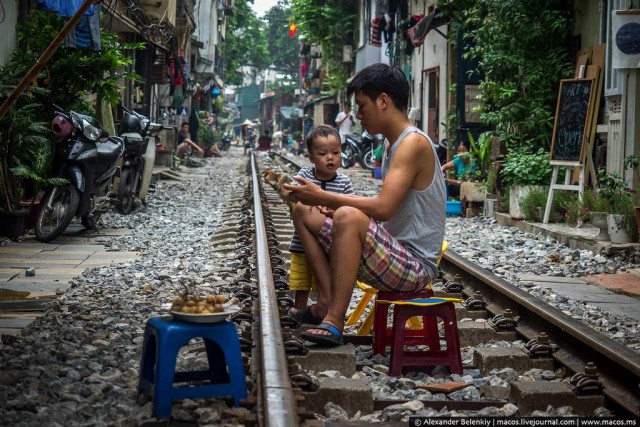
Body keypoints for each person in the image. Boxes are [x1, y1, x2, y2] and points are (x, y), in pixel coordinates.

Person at [283, 63, 446, 346]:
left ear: (383, 101)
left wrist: (325, 198)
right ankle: (324, 302)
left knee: (347, 215)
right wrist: (323, 205)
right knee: (302, 209)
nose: (358, 116)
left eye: (361, 106)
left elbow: (383, 208)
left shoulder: (412, 144)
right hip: (390, 254)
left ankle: (334, 319)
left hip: (413, 266)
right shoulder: (392, 144)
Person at [288, 125, 354, 318]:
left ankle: (324, 313)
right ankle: (299, 313)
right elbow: (292, 195)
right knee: (302, 283)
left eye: (335, 152)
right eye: (322, 153)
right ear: (311, 158)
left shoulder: (343, 182)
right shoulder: (305, 176)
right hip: (302, 244)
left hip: (327, 244)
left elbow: (350, 210)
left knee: (324, 281)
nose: (330, 157)